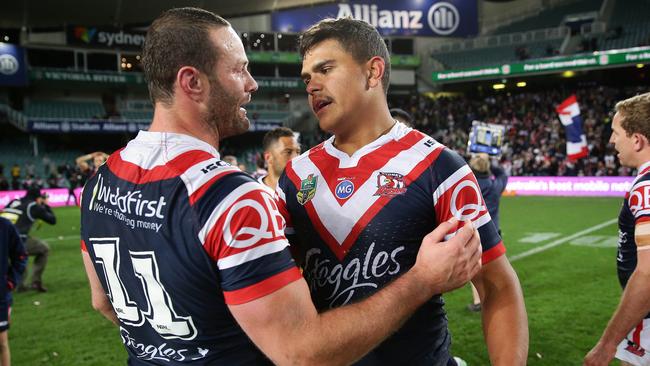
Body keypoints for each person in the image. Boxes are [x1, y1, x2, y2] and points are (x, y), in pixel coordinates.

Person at [79, 8, 482, 365]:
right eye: (238, 69)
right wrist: (423, 280)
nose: (252, 84)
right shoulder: (231, 199)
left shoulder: (99, 182)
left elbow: (102, 301)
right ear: (192, 83)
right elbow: (303, 353)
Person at [276, 17, 528, 365]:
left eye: (325, 69)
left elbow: (497, 285)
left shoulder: (440, 166)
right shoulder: (295, 176)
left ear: (373, 72)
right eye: (307, 77)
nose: (311, 86)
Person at [585, 92, 650, 366]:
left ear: (637, 140)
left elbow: (648, 273)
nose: (612, 140)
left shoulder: (646, 188)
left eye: (616, 132)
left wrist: (607, 344)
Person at [466, 153, 509, 312]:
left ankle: (478, 301)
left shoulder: (469, 185)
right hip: (493, 233)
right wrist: (490, 163)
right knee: (494, 268)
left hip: (473, 232)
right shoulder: (494, 186)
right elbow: (503, 174)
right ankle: (495, 297)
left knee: (474, 269)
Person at [0, 187, 56, 293]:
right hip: (15, 240)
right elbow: (52, 220)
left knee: (19, 256)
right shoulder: (33, 206)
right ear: (38, 198)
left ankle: (19, 285)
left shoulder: (14, 201)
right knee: (43, 249)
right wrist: (45, 205)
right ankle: (35, 281)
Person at [0, 217, 27, 366]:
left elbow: (21, 256)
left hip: (0, 297)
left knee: (2, 343)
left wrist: (9, 282)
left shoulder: (4, 226)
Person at [259, 127, 301, 192]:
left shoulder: (305, 192)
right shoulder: (253, 194)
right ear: (268, 158)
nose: (296, 158)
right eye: (288, 152)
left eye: (298, 152)